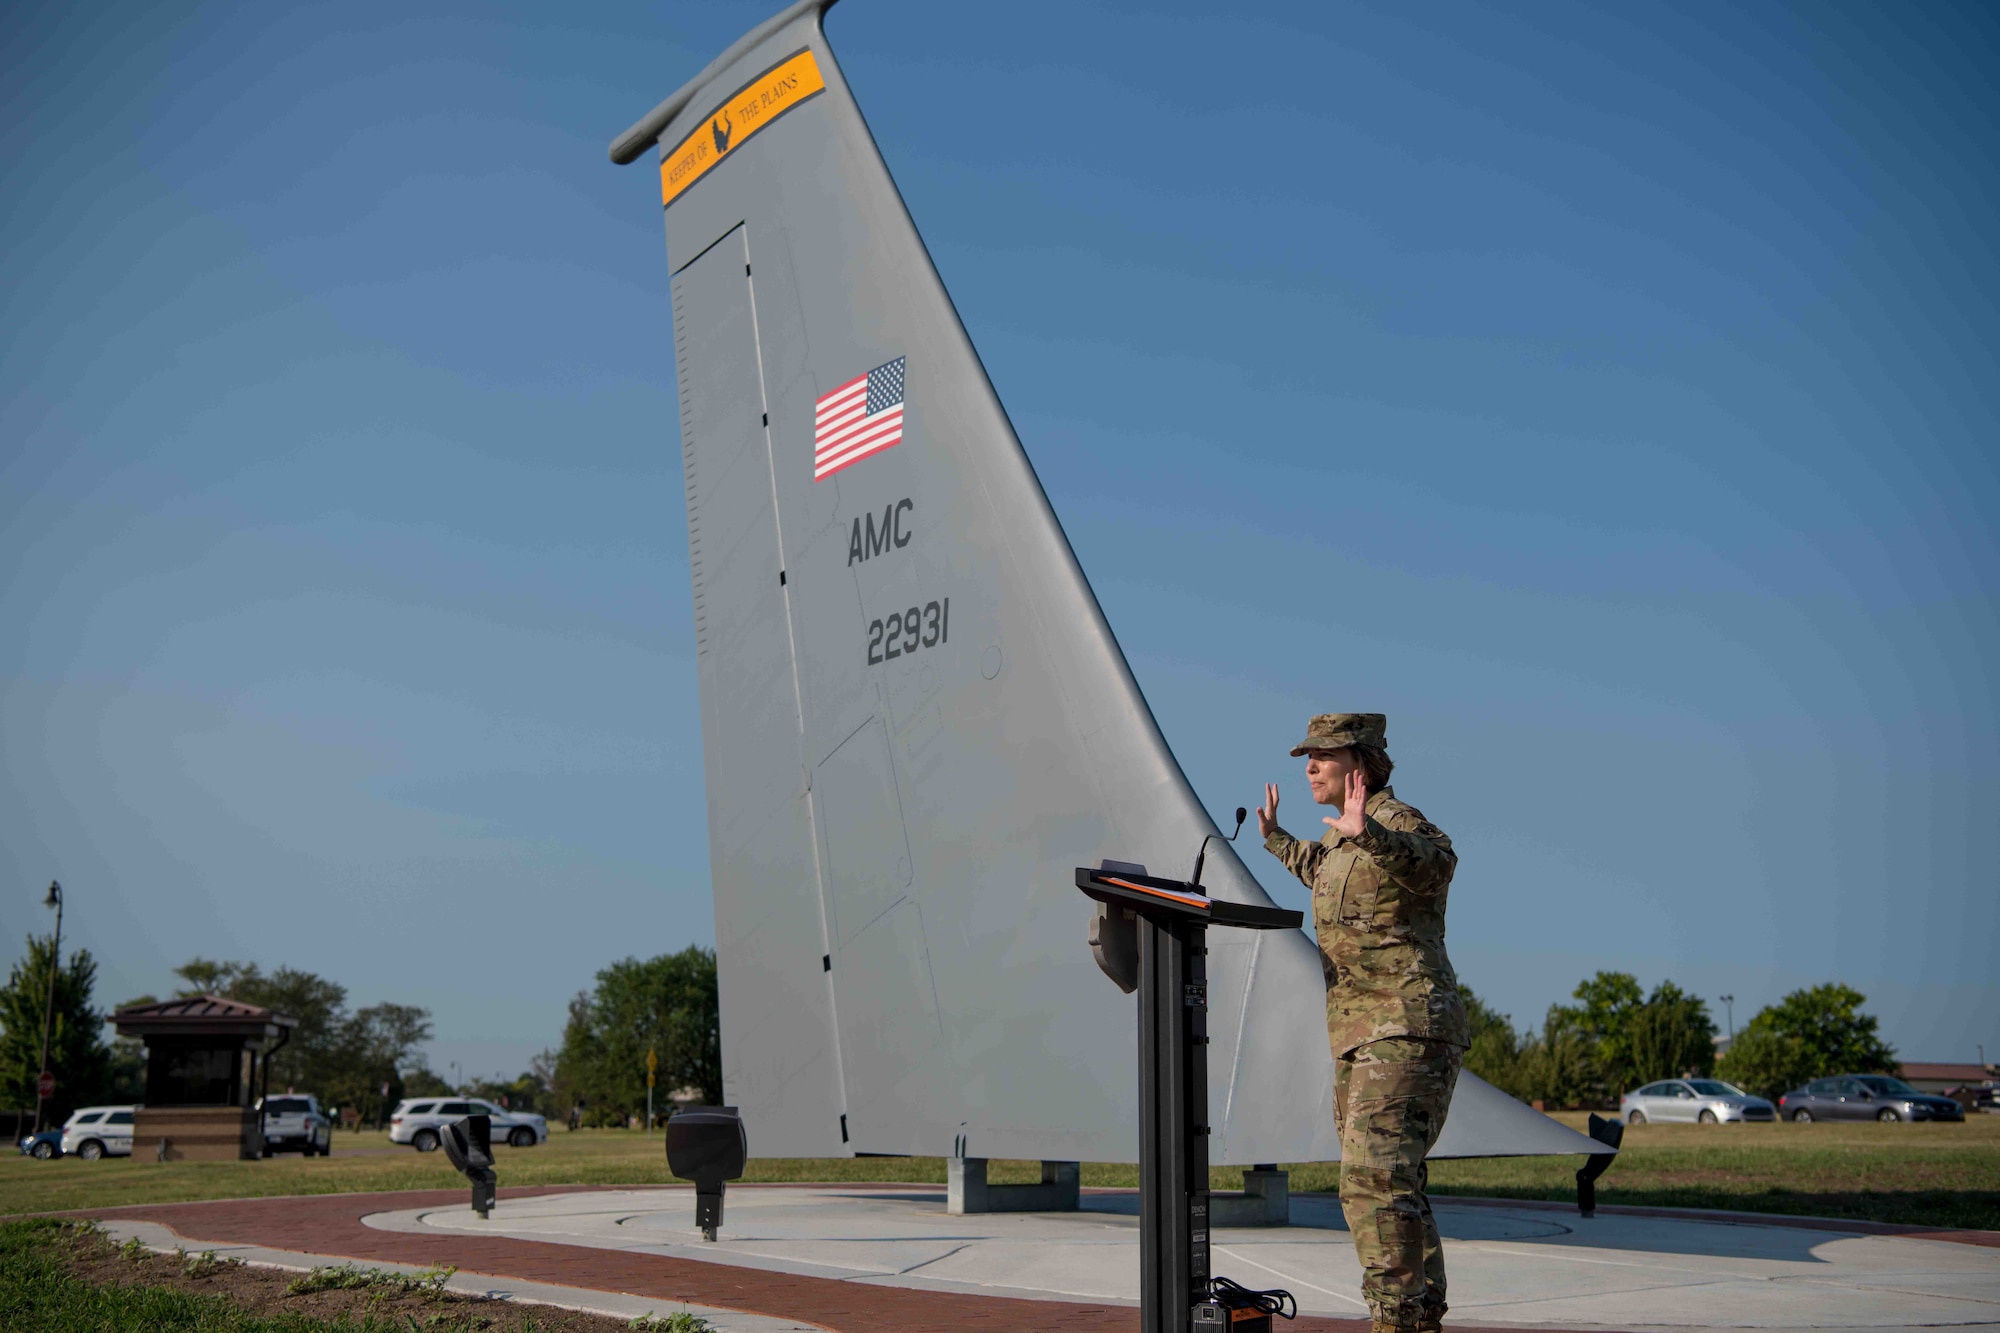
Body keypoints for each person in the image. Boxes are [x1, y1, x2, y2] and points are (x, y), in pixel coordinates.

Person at [1257, 713, 1468, 1333]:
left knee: (1370, 1181)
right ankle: (1418, 1318)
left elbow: (1437, 865)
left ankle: (1396, 1322)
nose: (1309, 767)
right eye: (1306, 757)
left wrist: (1370, 832)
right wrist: (1275, 839)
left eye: (1320, 755)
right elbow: (1321, 870)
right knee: (1395, 1183)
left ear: (1359, 761)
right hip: (1358, 1035)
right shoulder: (1339, 839)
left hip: (1405, 1025)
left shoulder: (1394, 823)